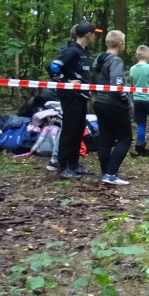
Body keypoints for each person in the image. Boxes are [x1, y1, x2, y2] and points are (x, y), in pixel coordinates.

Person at [48, 21, 100, 179]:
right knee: (69, 130)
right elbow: (53, 66)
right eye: (94, 33)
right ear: (88, 34)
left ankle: (73, 163)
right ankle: (63, 167)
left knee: (79, 130)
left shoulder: (84, 52)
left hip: (82, 96)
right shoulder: (71, 50)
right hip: (70, 96)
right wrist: (65, 81)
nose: (96, 37)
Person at [90, 30, 133, 185]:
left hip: (99, 102)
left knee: (105, 138)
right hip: (114, 104)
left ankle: (106, 172)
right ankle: (111, 172)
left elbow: (92, 81)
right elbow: (118, 84)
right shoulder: (115, 61)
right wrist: (126, 102)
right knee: (126, 138)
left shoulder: (98, 59)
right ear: (121, 44)